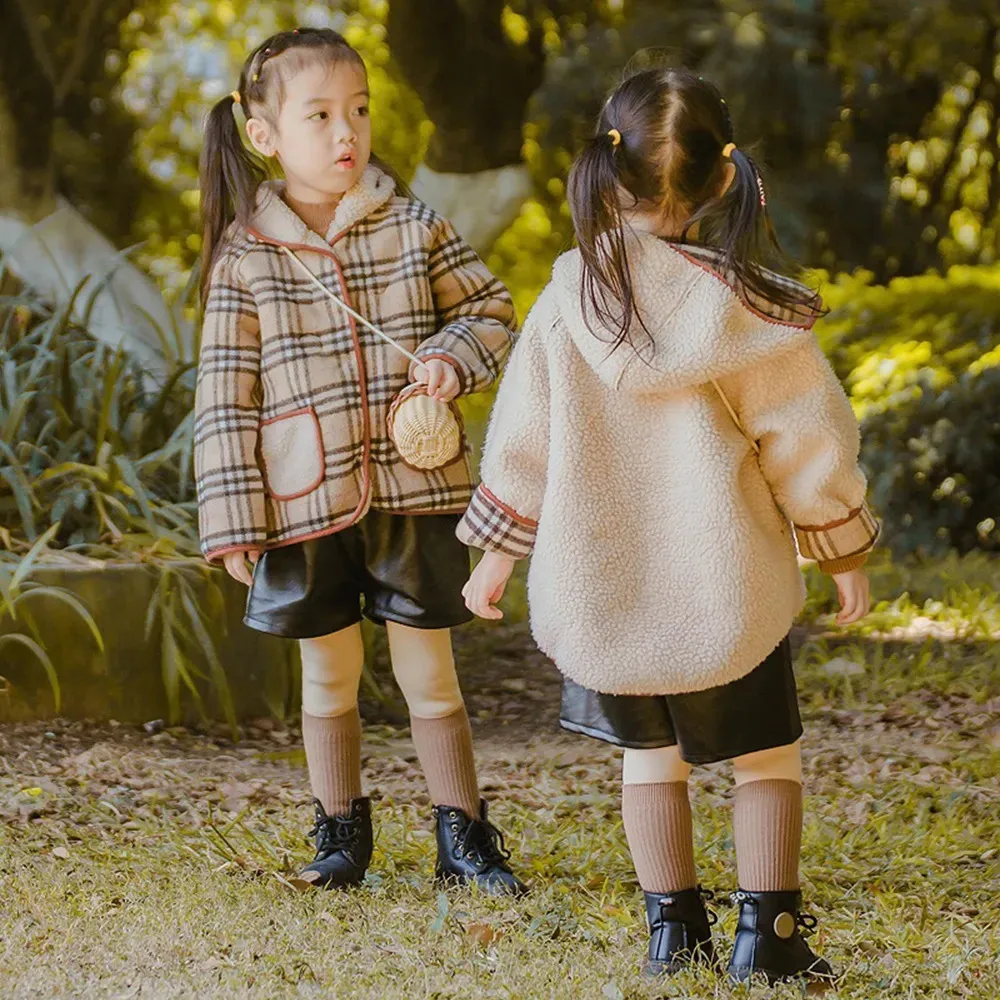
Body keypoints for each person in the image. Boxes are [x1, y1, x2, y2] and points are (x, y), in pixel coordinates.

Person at [459, 66, 879, 982]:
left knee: (649, 760)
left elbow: (523, 436)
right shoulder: (750, 311)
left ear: (607, 174)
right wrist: (841, 544)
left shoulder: (571, 297)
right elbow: (805, 444)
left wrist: (496, 553)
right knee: (767, 753)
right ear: (725, 178)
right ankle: (766, 943)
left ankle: (672, 936)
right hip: (723, 584)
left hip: (604, 584)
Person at [195, 27, 524, 895]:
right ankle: (340, 837)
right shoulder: (245, 258)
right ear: (263, 135)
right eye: (321, 116)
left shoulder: (416, 226)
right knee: (328, 673)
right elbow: (224, 399)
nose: (348, 133)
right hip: (303, 501)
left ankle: (465, 837)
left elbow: (493, 312)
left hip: (416, 493)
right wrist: (229, 523)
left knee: (430, 671)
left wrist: (453, 359)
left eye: (361, 110)